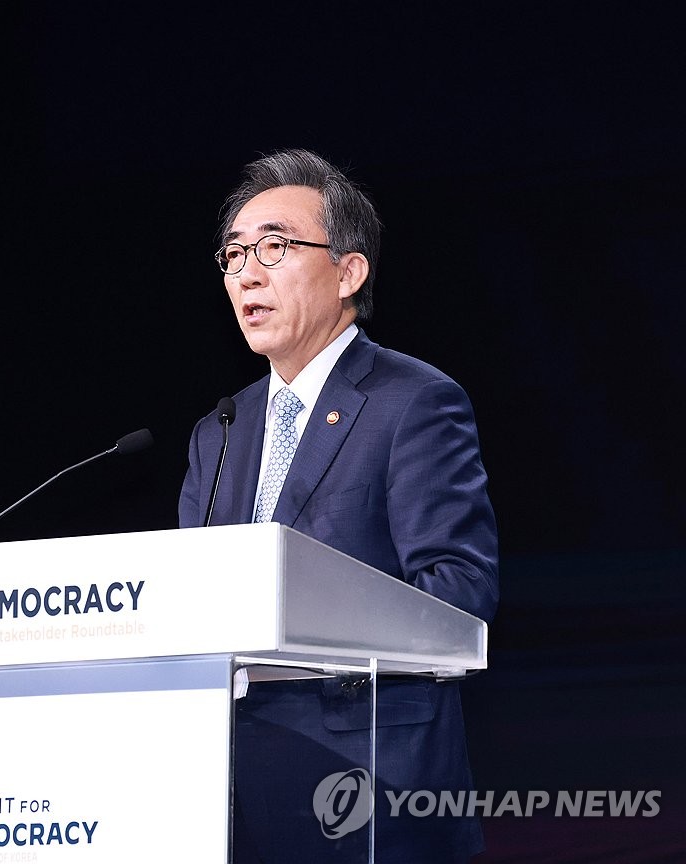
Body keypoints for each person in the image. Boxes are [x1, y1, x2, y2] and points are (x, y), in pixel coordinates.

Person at [179, 149, 500, 863]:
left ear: (349, 272)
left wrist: (305, 620)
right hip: (227, 795)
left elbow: (458, 592)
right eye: (233, 255)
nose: (246, 274)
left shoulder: (414, 402)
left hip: (368, 789)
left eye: (274, 247)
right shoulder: (219, 432)